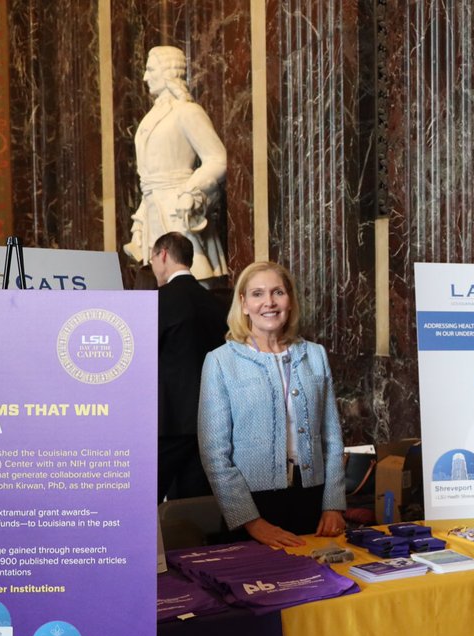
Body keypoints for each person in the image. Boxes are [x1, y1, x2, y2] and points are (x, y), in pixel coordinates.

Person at [198, 261, 346, 548]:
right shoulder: (220, 361)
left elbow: (333, 438)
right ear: (243, 304)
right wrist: (252, 522)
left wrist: (334, 505)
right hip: (251, 505)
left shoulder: (315, 355)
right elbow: (214, 454)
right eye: (257, 294)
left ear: (290, 300)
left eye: (278, 292)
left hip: (312, 502)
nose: (269, 302)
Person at [123, 46, 228, 281]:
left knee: (194, 282)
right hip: (153, 211)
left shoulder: (187, 112)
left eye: (151, 70)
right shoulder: (151, 117)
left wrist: (190, 192)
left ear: (169, 71)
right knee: (158, 289)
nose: (145, 77)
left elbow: (217, 159)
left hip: (180, 212)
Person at [153, 231, 227, 501]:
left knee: (144, 500)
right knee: (194, 506)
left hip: (168, 422)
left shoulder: (157, 301)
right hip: (212, 420)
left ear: (162, 255)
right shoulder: (218, 303)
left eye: (152, 259)